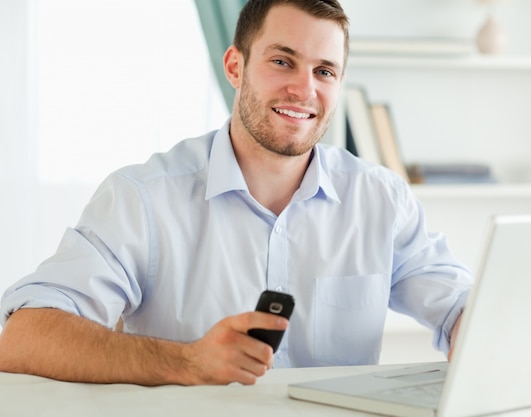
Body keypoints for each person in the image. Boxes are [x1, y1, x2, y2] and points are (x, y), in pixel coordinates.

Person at [0, 0, 472, 386]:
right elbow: (22, 338)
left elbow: (460, 308)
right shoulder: (143, 198)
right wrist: (188, 362)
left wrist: (475, 330)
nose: (303, 89)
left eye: (325, 71)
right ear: (234, 66)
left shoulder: (381, 200)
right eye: (282, 61)